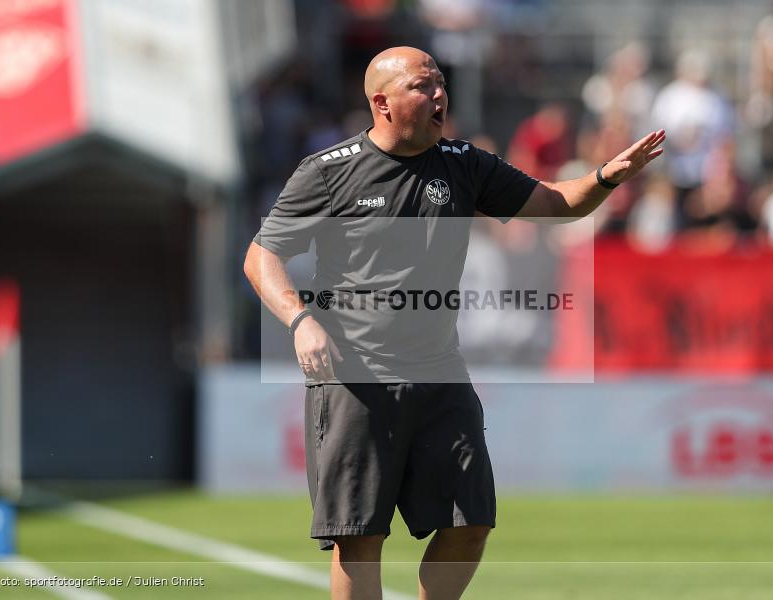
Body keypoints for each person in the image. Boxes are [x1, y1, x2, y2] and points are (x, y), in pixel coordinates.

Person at [244, 46, 664, 600]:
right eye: (423, 86)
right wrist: (300, 320)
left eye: (441, 83)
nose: (439, 94)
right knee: (360, 537)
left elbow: (559, 204)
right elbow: (261, 256)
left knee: (470, 522)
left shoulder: (464, 163)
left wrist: (606, 176)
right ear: (382, 103)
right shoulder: (329, 172)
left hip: (439, 370)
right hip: (354, 377)